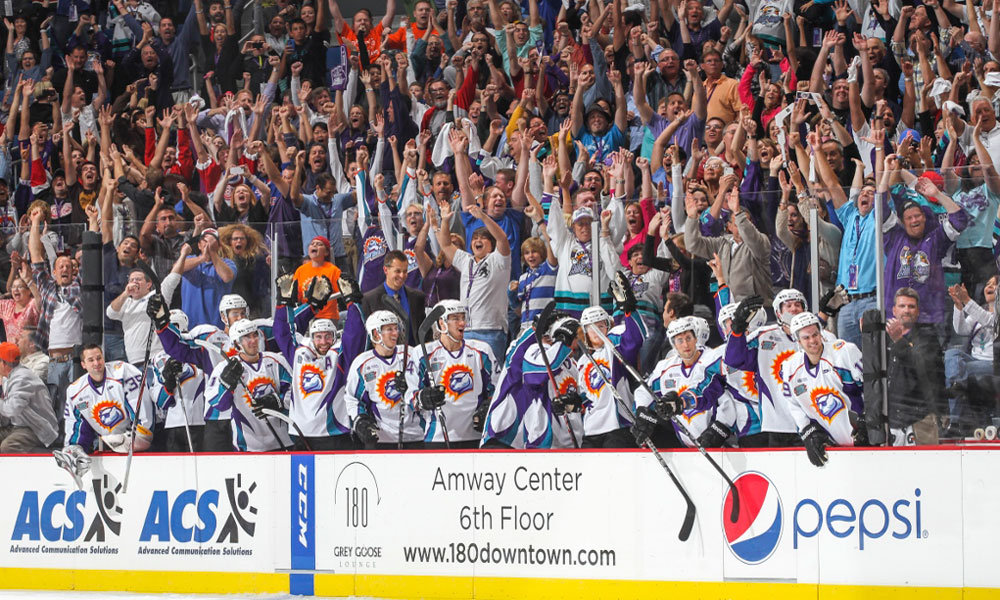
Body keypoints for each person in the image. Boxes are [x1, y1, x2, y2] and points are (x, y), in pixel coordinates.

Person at [481, 313, 585, 449]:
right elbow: (540, 370)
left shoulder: (572, 364)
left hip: (526, 441)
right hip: (501, 433)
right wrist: (542, 330)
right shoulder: (527, 351)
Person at [634, 316, 738, 449]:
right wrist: (642, 412)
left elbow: (726, 396)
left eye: (689, 338)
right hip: (686, 445)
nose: (685, 345)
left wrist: (720, 427)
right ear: (673, 344)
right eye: (680, 340)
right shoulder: (665, 368)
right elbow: (644, 391)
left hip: (721, 443)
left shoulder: (712, 359)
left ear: (695, 338)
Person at [407, 300, 497, 448]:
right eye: (455, 319)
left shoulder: (482, 351)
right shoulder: (423, 353)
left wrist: (488, 406)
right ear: (441, 324)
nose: (462, 323)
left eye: (463, 317)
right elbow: (410, 397)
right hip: (437, 437)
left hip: (476, 436)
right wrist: (423, 398)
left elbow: (497, 391)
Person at [781, 312, 865, 467]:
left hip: (865, 439)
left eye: (815, 335)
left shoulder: (844, 352)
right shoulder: (789, 368)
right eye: (806, 337)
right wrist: (808, 431)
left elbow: (870, 387)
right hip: (835, 446)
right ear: (797, 340)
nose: (813, 341)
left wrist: (869, 420)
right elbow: (792, 404)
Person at [436, 203, 511, 363]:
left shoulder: (498, 260)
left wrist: (483, 216)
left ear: (491, 245)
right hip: (466, 328)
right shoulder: (466, 260)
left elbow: (502, 238)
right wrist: (444, 221)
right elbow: (446, 244)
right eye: (475, 238)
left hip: (491, 330)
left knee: (491, 378)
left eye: (483, 238)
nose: (478, 240)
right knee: (469, 374)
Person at [205, 319, 293, 452]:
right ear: (236, 343)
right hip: (248, 446)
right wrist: (226, 384)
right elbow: (218, 404)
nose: (253, 340)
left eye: (254, 335)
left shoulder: (275, 361)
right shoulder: (223, 368)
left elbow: (294, 392)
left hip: (283, 442)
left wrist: (278, 401)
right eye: (247, 337)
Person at [345, 310, 425, 449]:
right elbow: (352, 398)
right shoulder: (363, 363)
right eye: (389, 329)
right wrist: (360, 420)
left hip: (417, 436)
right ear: (376, 334)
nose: (395, 333)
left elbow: (426, 387)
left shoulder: (411, 354)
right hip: (382, 440)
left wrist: (411, 387)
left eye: (396, 328)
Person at [62, 344, 153, 454]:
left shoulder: (122, 373)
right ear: (83, 365)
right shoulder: (75, 392)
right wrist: (75, 449)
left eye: (99, 358)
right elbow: (77, 426)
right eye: (91, 360)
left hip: (136, 438)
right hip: (108, 443)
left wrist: (136, 436)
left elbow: (142, 412)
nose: (96, 363)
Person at [577, 302, 645, 448]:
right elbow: (586, 396)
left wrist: (629, 311)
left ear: (608, 326)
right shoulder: (582, 362)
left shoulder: (613, 348)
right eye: (591, 327)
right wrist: (575, 402)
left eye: (600, 326)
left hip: (618, 427)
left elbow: (635, 338)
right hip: (591, 430)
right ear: (585, 331)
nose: (596, 331)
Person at [886, 288, 946, 446]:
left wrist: (899, 341)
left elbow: (922, 368)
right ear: (894, 310)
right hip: (890, 420)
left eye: (911, 306)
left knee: (927, 470)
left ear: (918, 311)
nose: (906, 310)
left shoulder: (929, 337)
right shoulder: (884, 338)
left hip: (921, 419)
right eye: (902, 306)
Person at [148, 310, 207, 452]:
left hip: (202, 422)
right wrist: (168, 382)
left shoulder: (199, 352)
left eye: (174, 326)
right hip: (173, 425)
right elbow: (162, 402)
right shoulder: (158, 360)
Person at [359, 250, 428, 347]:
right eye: (398, 271)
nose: (402, 276)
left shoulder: (417, 297)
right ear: (386, 270)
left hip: (413, 355)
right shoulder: (370, 300)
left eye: (405, 271)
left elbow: (425, 333)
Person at [0, 341, 59, 453]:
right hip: (16, 426)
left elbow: (11, 410)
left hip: (36, 428)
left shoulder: (22, 378)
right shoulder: (8, 377)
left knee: (8, 447)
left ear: (3, 363)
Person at [293, 236, 342, 321]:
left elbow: (341, 292)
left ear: (326, 252)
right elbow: (297, 295)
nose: (314, 245)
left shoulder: (333, 270)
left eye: (319, 244)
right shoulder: (300, 270)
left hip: (328, 316)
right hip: (307, 316)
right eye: (312, 244)